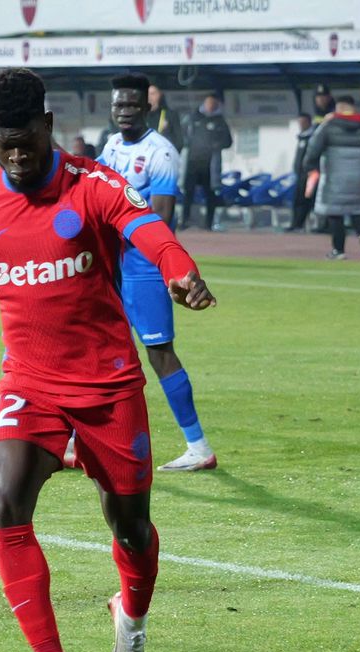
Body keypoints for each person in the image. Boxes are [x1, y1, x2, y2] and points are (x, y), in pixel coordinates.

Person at [0, 67, 216, 652]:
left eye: (28, 141)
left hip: (106, 388)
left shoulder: (93, 186)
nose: (17, 155)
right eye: (3, 143)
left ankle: (129, 616)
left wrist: (180, 271)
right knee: (3, 500)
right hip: (29, 386)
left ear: (49, 126)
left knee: (130, 529)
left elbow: (146, 230)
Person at [98, 72, 216, 471]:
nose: (125, 112)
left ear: (148, 107)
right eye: (119, 105)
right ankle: (82, 439)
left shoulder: (161, 152)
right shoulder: (111, 146)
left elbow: (161, 218)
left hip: (144, 266)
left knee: (159, 352)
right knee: (100, 346)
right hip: (112, 263)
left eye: (133, 105)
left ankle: (198, 446)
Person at [302, 95, 360, 260]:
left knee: (335, 214)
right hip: (359, 178)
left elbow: (313, 147)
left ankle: (339, 250)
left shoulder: (328, 126)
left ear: (338, 108)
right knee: (357, 211)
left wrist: (310, 167)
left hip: (335, 178)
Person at [181, 90, 232, 231]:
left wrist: (216, 145)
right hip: (193, 163)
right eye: (208, 102)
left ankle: (208, 223)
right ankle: (184, 221)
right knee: (188, 193)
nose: (210, 105)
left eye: (213, 103)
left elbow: (228, 142)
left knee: (211, 195)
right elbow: (184, 136)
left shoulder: (220, 121)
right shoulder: (193, 118)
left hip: (210, 166)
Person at [287, 113, 316, 232]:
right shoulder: (301, 137)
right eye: (299, 123)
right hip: (300, 174)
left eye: (303, 122)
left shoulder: (313, 137)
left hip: (310, 175)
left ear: (309, 122)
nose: (301, 125)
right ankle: (296, 223)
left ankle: (302, 224)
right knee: (298, 199)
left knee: (307, 199)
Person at [148, 82, 184, 152]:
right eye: (147, 94)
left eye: (152, 94)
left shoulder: (170, 115)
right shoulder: (139, 116)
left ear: (159, 95)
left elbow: (179, 142)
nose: (149, 97)